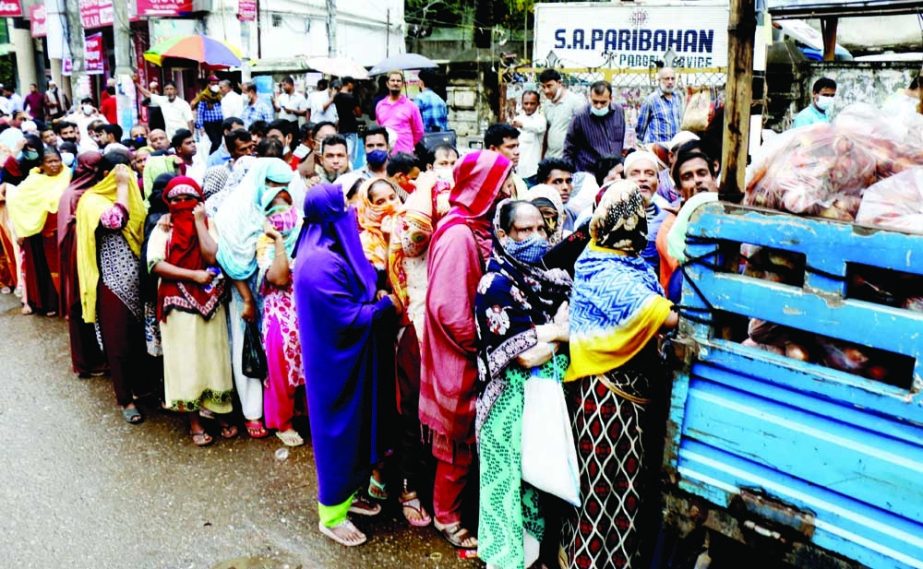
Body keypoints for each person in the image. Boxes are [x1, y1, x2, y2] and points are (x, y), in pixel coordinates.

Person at [562, 180, 678, 569]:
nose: (636, 228)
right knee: (598, 482)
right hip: (604, 393)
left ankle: (617, 561)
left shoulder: (632, 264)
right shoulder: (599, 267)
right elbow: (655, 312)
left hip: (632, 392)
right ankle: (585, 560)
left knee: (627, 483)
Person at [293, 183, 399, 546]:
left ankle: (348, 497)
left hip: (347, 360)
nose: (351, 213)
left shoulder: (323, 247)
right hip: (335, 367)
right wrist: (384, 306)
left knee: (355, 431)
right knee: (338, 433)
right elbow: (347, 317)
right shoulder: (319, 262)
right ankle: (331, 515)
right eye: (344, 207)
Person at [420, 150, 515, 550]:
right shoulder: (459, 233)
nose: (510, 188)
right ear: (483, 187)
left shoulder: (475, 225)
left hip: (472, 348)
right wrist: (485, 344)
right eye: (503, 181)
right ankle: (446, 515)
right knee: (457, 440)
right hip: (458, 354)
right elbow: (448, 307)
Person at [474, 199, 572, 569]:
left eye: (540, 229)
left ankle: (530, 559)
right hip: (507, 402)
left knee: (536, 483)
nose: (535, 237)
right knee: (506, 486)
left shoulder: (549, 277)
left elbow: (540, 341)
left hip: (542, 397)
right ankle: (503, 561)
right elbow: (526, 356)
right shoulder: (495, 284)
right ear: (503, 234)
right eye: (524, 230)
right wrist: (561, 333)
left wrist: (546, 335)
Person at [147, 176, 238, 445]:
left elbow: (212, 257)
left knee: (214, 358)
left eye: (189, 199)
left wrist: (199, 222)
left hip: (210, 300)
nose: (182, 204)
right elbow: (155, 264)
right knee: (185, 361)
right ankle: (195, 422)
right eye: (175, 200)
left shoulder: (210, 223)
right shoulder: (164, 227)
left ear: (199, 202)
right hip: (177, 299)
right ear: (167, 202)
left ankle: (220, 413)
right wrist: (192, 276)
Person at [215, 157, 294, 439]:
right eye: (272, 183)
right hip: (243, 290)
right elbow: (229, 257)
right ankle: (252, 413)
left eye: (284, 184)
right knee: (246, 345)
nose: (278, 189)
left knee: (274, 349)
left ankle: (279, 408)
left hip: (276, 296)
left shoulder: (283, 208)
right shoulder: (235, 211)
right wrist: (247, 298)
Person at [75, 158, 153, 423]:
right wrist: (121, 187)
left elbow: (142, 224)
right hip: (111, 284)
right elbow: (115, 221)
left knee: (139, 340)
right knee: (117, 343)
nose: (129, 178)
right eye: (123, 172)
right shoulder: (92, 200)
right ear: (108, 174)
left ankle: (143, 388)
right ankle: (125, 399)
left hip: (136, 281)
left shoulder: (132, 194)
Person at [255, 175, 305, 447]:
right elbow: (279, 278)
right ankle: (282, 422)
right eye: (273, 209)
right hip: (280, 316)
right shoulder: (264, 243)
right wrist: (277, 241)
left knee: (308, 368)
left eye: (286, 205)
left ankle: (305, 415)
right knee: (282, 369)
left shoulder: (304, 233)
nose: (281, 214)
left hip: (306, 312)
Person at [57, 151, 108, 378]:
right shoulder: (72, 194)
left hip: (92, 255)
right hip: (77, 259)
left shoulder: (92, 191)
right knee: (80, 306)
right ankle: (86, 362)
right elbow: (67, 233)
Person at [5, 146, 71, 315]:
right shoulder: (33, 180)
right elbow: (18, 202)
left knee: (63, 269)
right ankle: (48, 305)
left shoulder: (67, 176)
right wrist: (22, 229)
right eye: (50, 161)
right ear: (41, 164)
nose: (55, 165)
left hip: (61, 231)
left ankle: (66, 305)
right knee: (43, 270)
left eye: (57, 161)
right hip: (37, 232)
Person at [657, 145, 720, 300]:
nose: (697, 181)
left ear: (713, 176)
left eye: (702, 173)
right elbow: (694, 270)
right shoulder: (670, 226)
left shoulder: (730, 213)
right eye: (687, 177)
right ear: (679, 189)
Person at [563, 81, 627, 174]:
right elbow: (569, 148)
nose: (598, 106)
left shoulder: (619, 111)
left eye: (603, 102)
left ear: (611, 99)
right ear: (590, 98)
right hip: (589, 173)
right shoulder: (580, 116)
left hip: (614, 172)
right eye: (595, 102)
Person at [624, 150, 671, 272]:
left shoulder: (667, 218)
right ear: (623, 181)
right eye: (635, 174)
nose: (643, 178)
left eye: (649, 174)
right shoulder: (608, 217)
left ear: (659, 182)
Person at [538, 69, 584, 159]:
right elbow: (546, 132)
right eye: (543, 87)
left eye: (549, 86)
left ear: (559, 83)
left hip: (568, 159)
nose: (546, 90)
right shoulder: (547, 104)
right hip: (550, 157)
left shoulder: (575, 102)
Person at [376, 71, 424, 154]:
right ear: (387, 84)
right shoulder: (380, 105)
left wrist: (408, 145)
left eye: (398, 81)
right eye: (392, 80)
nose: (395, 83)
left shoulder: (411, 106)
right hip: (386, 155)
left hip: (405, 154)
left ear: (402, 84)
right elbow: (379, 128)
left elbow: (419, 131)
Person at [636, 67, 683, 144]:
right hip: (656, 149)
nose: (670, 82)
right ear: (659, 80)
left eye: (672, 78)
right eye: (667, 79)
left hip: (674, 148)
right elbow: (641, 128)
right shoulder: (651, 100)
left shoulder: (678, 99)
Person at [511, 90, 546, 180]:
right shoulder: (517, 119)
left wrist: (522, 125)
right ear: (522, 104)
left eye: (532, 103)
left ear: (538, 104)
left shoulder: (540, 120)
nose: (528, 106)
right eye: (526, 103)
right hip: (517, 170)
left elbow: (539, 128)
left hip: (533, 171)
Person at [535, 158, 577, 232]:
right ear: (542, 184)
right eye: (557, 182)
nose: (565, 187)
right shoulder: (533, 217)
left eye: (568, 181)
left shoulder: (572, 215)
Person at [485, 123, 526, 197]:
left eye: (517, 146)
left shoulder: (519, 181)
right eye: (510, 147)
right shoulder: (483, 184)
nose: (517, 152)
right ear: (493, 149)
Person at [333, 77, 363, 169]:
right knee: (351, 155)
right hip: (351, 127)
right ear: (349, 83)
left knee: (342, 151)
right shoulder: (352, 97)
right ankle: (348, 171)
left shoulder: (336, 97)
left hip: (341, 128)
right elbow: (359, 114)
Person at [192, 75, 225, 155]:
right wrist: (201, 126)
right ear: (208, 85)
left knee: (220, 142)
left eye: (217, 84)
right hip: (210, 124)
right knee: (215, 142)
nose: (215, 86)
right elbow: (200, 113)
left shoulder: (219, 96)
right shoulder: (204, 96)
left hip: (219, 122)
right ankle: (211, 157)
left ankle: (217, 158)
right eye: (213, 84)